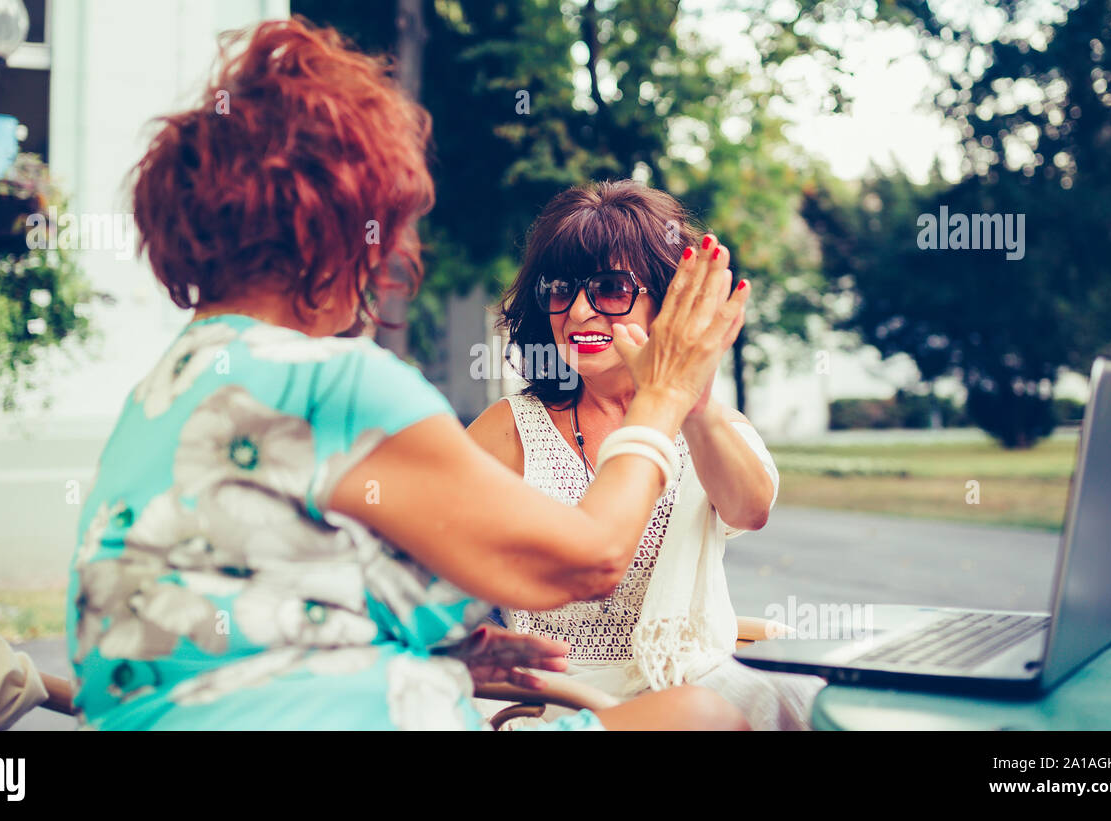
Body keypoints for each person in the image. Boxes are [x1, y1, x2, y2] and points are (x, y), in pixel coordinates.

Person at [66, 18, 750, 731]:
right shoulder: (333, 381)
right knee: (705, 717)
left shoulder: (162, 390)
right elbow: (590, 558)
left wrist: (426, 646)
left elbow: (245, 590)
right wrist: (667, 394)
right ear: (337, 226)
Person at [468, 180, 826, 730]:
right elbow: (432, 583)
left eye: (610, 289)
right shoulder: (510, 428)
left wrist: (691, 404)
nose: (581, 311)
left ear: (667, 301)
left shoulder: (712, 424)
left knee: (807, 701)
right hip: (557, 699)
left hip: (689, 677)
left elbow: (749, 510)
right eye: (561, 289)